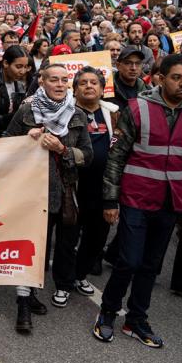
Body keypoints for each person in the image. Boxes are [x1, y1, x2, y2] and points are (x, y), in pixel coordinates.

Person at [93, 54, 182, 348]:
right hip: (136, 197)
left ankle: (136, 319)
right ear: (161, 78)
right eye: (177, 77)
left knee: (151, 266)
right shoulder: (138, 108)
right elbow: (117, 156)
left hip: (172, 202)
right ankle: (107, 312)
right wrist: (110, 200)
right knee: (129, 261)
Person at [4, 63, 92, 334]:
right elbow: (6, 142)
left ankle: (39, 290)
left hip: (62, 193)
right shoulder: (27, 110)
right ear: (41, 82)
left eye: (64, 80)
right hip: (31, 191)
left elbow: (87, 156)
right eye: (53, 79)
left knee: (60, 245)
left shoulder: (76, 114)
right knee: (30, 248)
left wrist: (63, 149)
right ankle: (24, 303)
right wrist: (26, 140)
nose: (59, 84)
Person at [72, 67, 118, 294]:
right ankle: (63, 281)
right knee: (67, 236)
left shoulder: (114, 114)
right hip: (73, 187)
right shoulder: (65, 113)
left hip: (103, 189)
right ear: (75, 89)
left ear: (102, 89)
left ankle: (79, 275)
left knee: (96, 238)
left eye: (94, 83)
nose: (89, 86)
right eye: (83, 83)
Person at [0, 46, 30, 138]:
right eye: (18, 67)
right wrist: (9, 118)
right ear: (5, 63)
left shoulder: (20, 85)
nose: (23, 71)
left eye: (25, 67)